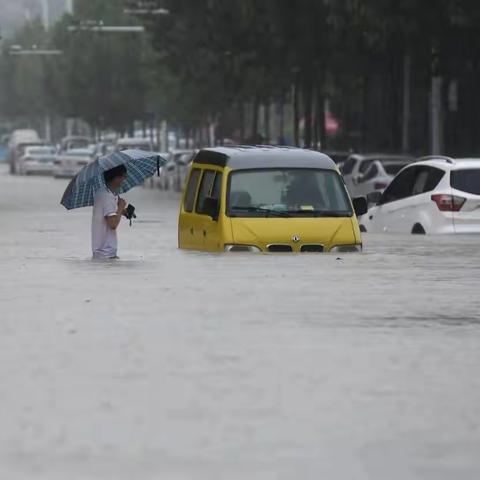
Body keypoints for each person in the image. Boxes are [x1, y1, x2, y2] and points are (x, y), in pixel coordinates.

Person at [92, 165, 127, 259]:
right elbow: (113, 224)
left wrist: (121, 210)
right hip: (106, 254)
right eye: (123, 176)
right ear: (115, 177)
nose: (124, 179)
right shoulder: (108, 197)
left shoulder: (102, 193)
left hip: (101, 254)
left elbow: (108, 215)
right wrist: (120, 207)